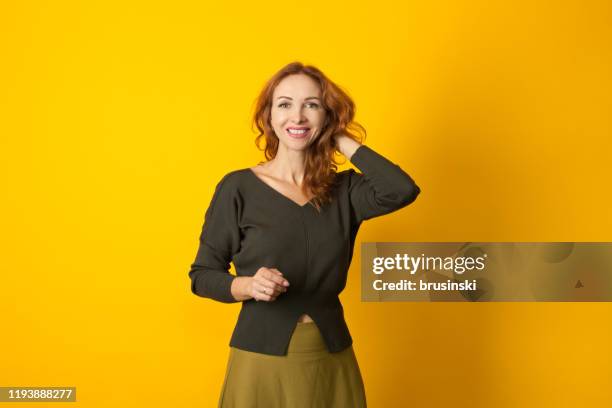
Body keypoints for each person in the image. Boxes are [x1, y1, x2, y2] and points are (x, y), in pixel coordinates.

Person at [188, 61, 421, 408]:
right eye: (284, 104)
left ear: (327, 115)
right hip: (260, 359)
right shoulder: (237, 187)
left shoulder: (345, 191)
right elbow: (202, 276)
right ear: (269, 116)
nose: (297, 116)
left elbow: (401, 190)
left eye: (311, 105)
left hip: (331, 356)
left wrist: (341, 139)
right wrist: (249, 285)